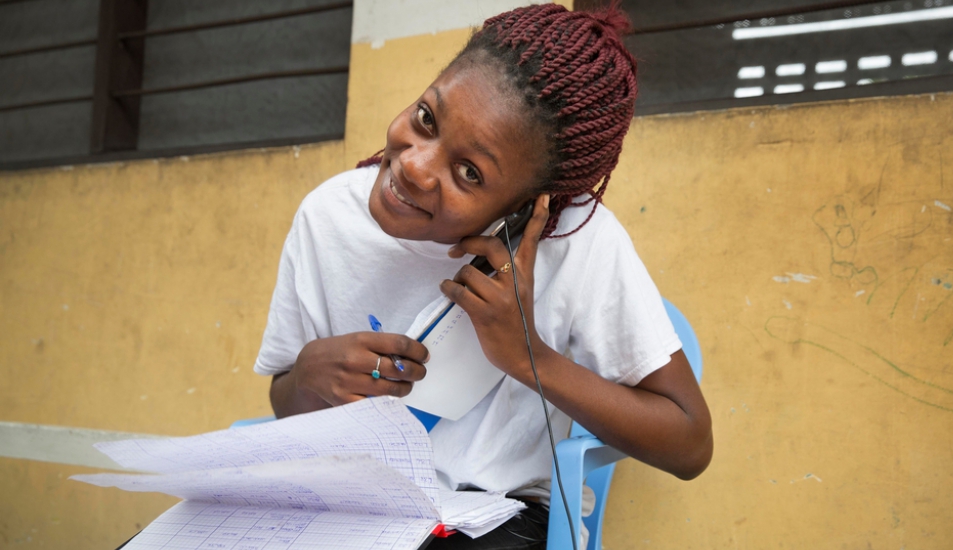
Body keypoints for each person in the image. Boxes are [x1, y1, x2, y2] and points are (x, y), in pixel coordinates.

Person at [254, 3, 713, 548]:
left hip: (494, 517)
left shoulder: (577, 242)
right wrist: (306, 376)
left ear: (528, 204)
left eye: (469, 173)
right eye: (427, 119)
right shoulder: (328, 215)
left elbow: (688, 444)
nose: (415, 167)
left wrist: (528, 357)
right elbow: (286, 402)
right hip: (347, 507)